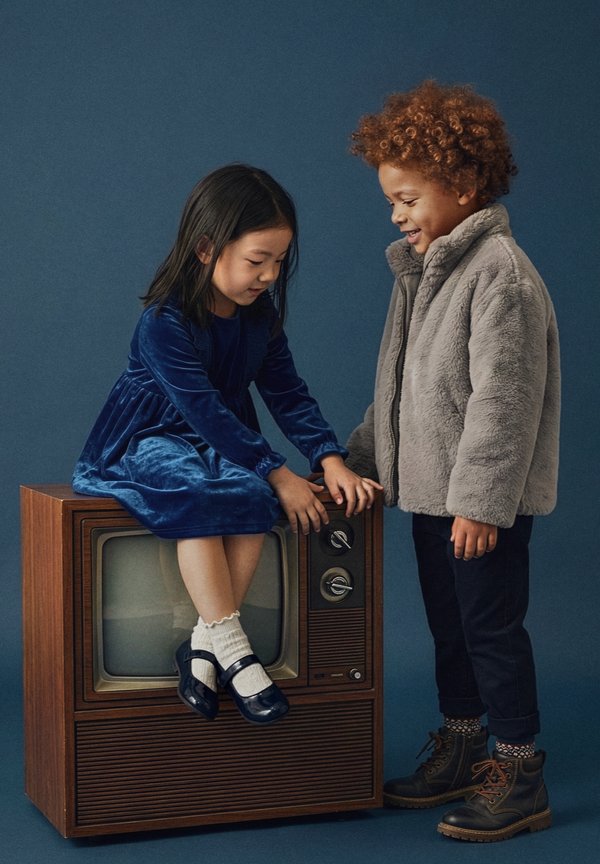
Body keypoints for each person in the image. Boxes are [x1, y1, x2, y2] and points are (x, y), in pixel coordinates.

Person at [73, 163, 381, 726]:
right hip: (150, 436)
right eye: (257, 260)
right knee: (197, 491)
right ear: (206, 248)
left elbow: (287, 393)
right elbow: (204, 411)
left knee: (251, 495)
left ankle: (202, 644)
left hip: (226, 442)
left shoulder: (260, 318)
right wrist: (278, 470)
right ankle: (235, 650)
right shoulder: (163, 321)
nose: (269, 275)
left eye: (279, 262)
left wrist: (328, 458)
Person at [345, 81, 560, 842]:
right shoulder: (424, 273)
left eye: (407, 199)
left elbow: (505, 402)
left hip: (478, 505)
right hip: (430, 495)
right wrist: (360, 459)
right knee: (449, 628)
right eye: (390, 202)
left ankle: (519, 772)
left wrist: (480, 504)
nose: (396, 215)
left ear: (463, 185)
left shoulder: (501, 274)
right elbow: (400, 388)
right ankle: (464, 744)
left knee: (491, 632)